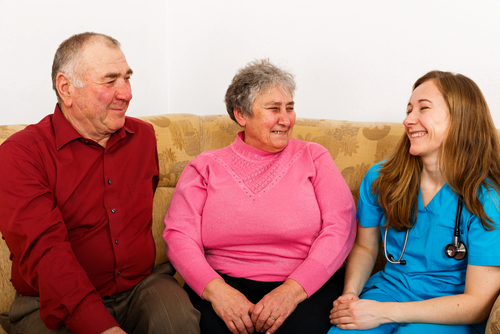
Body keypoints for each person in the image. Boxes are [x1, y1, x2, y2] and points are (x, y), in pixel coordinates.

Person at [0, 32, 200, 334]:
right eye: (110, 81)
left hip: (140, 287)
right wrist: (100, 327)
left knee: (180, 322)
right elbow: (45, 252)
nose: (126, 93)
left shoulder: (143, 138)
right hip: (50, 300)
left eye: (127, 78)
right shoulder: (21, 154)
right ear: (66, 88)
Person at [163, 59, 357, 334]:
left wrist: (292, 290)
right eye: (274, 109)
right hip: (223, 285)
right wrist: (217, 291)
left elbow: (341, 227)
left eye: (289, 108)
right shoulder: (205, 166)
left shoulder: (314, 157)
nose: (286, 119)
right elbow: (179, 235)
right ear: (241, 115)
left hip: (303, 285)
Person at [328, 70, 500, 334]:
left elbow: (477, 303)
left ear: (460, 118)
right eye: (409, 110)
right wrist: (351, 294)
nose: (409, 120)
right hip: (388, 291)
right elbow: (365, 246)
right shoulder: (381, 178)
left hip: (448, 310)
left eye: (424, 108)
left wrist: (382, 313)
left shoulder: (486, 199)